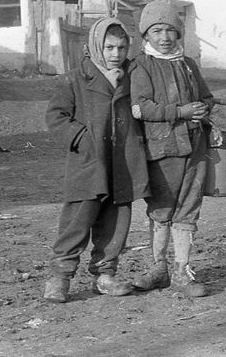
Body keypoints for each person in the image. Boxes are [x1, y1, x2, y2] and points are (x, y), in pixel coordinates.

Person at [42, 17, 149, 303]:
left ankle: (105, 274)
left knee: (116, 221)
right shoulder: (76, 78)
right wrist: (81, 138)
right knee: (77, 220)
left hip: (123, 162)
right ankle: (60, 276)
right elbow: (56, 117)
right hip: (89, 163)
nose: (116, 54)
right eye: (110, 47)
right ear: (96, 46)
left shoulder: (134, 78)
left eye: (122, 47)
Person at [129, 0, 214, 298]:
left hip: (194, 150)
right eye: (156, 31)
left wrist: (203, 108)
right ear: (145, 35)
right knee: (161, 208)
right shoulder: (142, 65)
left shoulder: (188, 65)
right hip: (162, 150)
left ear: (178, 33)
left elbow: (206, 97)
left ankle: (182, 270)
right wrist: (180, 112)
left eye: (169, 30)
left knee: (188, 208)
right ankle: (158, 267)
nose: (164, 38)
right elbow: (140, 108)